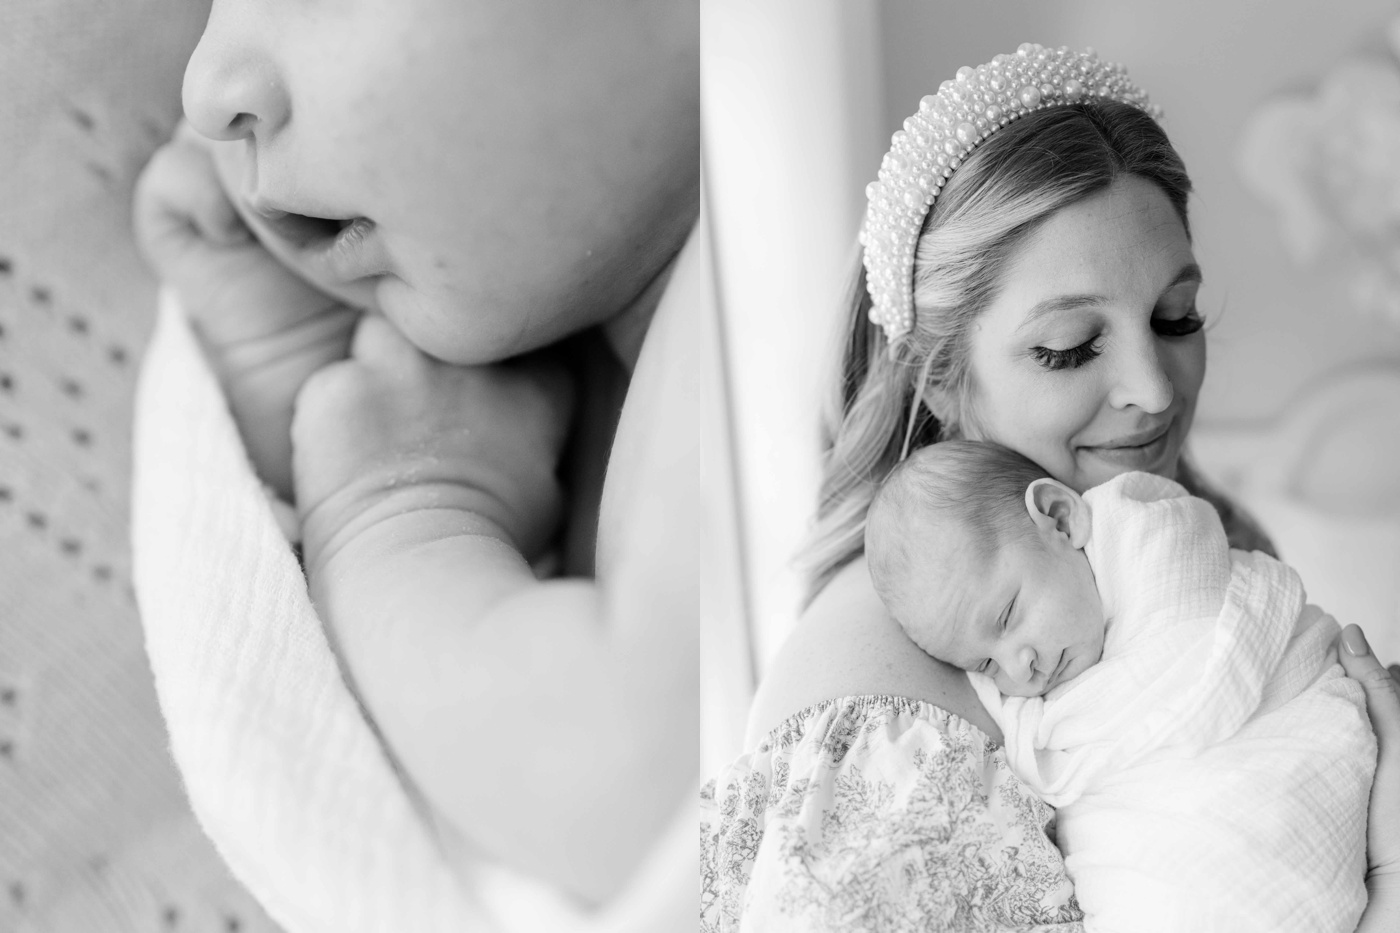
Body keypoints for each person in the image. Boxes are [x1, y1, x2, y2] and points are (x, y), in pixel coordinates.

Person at [701, 43, 1400, 932]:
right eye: (1069, 345)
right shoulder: (879, 717)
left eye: (1175, 317)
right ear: (940, 377)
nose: (1154, 388)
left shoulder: (1193, 532)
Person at [133, 0, 699, 910]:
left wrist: (396, 509)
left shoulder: (792, 256)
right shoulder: (611, 326)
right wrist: (322, 388)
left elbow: (645, 785)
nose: (203, 93)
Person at [866, 440, 1373, 931]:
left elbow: (1207, 648)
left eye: (1007, 616)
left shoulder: (1160, 551)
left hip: (1273, 777)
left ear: (1061, 520)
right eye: (985, 665)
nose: (1019, 669)